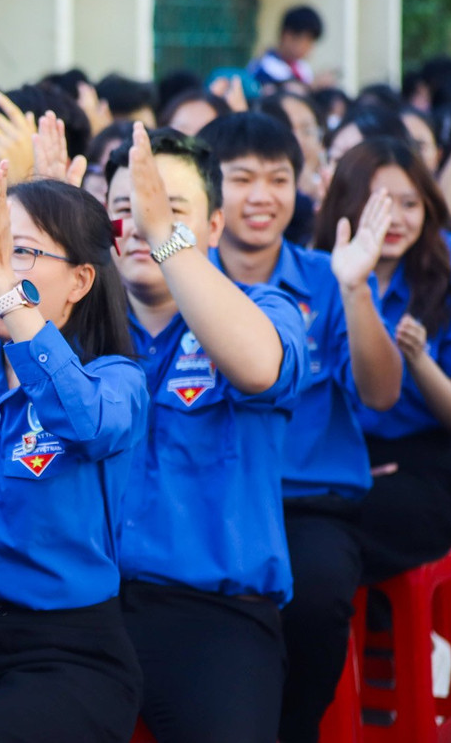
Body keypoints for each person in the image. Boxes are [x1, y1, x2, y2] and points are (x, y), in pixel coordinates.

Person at [197, 114, 403, 743]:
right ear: (211, 190)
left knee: (314, 596)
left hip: (307, 503)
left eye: (278, 178)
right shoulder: (184, 278)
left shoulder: (327, 274)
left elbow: (382, 393)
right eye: (242, 179)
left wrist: (356, 289)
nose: (262, 196)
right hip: (206, 502)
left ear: (299, 186)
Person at [105, 125, 307, 743]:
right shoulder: (79, 327)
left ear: (214, 227)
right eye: (124, 209)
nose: (139, 222)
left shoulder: (263, 308)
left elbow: (257, 365)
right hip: (88, 610)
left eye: (167, 206)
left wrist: (167, 238)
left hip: (213, 616)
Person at [0, 171, 148, 743]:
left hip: (66, 656)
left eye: (20, 251)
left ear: (80, 280)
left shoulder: (115, 380)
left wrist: (4, 285)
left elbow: (83, 422)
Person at [313, 138, 451, 585]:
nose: (398, 219)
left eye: (410, 204)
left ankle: (384, 638)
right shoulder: (312, 271)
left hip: (423, 454)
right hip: (331, 452)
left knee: (352, 522)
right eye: (380, 204)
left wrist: (420, 362)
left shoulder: (449, 280)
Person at [248, 5, 323, 89]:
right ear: (288, 36)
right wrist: (314, 86)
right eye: (307, 41)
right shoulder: (263, 67)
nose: (309, 48)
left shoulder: (302, 68)